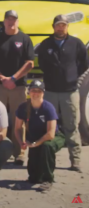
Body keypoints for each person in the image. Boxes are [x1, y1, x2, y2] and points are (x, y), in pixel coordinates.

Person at [36, 14, 87, 172]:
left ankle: (75, 160)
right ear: (53, 26)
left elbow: (84, 63)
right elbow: (43, 64)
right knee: (47, 126)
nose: (61, 27)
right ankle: (45, 160)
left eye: (64, 25)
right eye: (58, 25)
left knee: (72, 126)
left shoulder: (76, 43)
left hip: (69, 92)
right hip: (50, 91)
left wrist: (71, 77)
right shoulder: (46, 44)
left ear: (67, 26)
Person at [0, 10, 34, 165]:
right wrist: (2, 78)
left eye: (14, 19)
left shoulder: (25, 39)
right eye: (8, 19)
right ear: (4, 21)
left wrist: (13, 78)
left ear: (18, 22)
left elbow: (30, 63)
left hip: (18, 87)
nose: (11, 22)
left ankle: (20, 152)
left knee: (19, 120)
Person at [14, 80, 65, 193]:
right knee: (34, 178)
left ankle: (48, 180)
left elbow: (51, 134)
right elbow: (17, 128)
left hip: (54, 137)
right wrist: (21, 142)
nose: (35, 93)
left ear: (43, 93)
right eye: (33, 90)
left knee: (47, 146)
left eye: (39, 91)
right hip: (35, 138)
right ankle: (37, 177)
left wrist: (35, 144)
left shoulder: (48, 107)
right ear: (28, 92)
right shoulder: (23, 107)